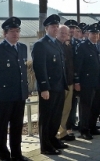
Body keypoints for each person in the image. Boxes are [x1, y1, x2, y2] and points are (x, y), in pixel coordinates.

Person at [0, 17, 29, 161]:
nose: (15, 34)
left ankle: (17, 153)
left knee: (17, 126)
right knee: (2, 127)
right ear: (5, 34)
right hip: (3, 97)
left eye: (17, 31)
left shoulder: (22, 48)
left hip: (19, 95)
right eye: (12, 31)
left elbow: (22, 72)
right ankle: (4, 154)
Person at [31, 14, 68, 155]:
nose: (55, 29)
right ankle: (45, 146)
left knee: (56, 116)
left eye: (57, 26)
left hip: (59, 86)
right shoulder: (40, 44)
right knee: (46, 117)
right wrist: (44, 87)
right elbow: (40, 68)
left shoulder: (57, 44)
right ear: (46, 28)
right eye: (53, 26)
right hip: (49, 88)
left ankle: (53, 139)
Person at [74, 23, 100, 140]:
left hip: (98, 81)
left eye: (97, 33)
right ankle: (84, 129)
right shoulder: (83, 46)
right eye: (93, 33)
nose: (95, 36)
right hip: (87, 82)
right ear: (88, 34)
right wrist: (77, 81)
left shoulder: (98, 45)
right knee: (86, 107)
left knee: (95, 106)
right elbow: (78, 65)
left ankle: (92, 126)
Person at [56, 24, 77, 142]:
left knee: (67, 109)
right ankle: (57, 134)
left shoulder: (68, 46)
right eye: (62, 33)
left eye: (66, 33)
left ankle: (63, 132)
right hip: (60, 84)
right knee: (59, 109)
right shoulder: (55, 46)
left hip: (69, 82)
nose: (64, 35)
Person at [63, 19, 80, 133]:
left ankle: (72, 124)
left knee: (73, 104)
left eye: (74, 28)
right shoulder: (62, 43)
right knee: (65, 107)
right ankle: (66, 128)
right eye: (70, 28)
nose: (72, 30)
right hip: (65, 81)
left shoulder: (76, 43)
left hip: (73, 80)